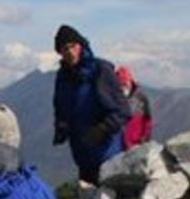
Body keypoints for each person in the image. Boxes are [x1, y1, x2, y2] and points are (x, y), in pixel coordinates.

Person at [52, 24, 131, 185]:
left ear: (80, 45)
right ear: (59, 52)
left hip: (110, 155)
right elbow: (61, 106)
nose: (69, 52)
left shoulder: (101, 70)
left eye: (72, 46)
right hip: (83, 155)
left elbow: (123, 111)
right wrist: (62, 127)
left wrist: (103, 129)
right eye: (64, 49)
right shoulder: (63, 77)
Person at [116, 66, 153, 150]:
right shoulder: (113, 101)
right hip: (118, 149)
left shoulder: (142, 99)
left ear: (131, 83)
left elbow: (148, 122)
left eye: (125, 84)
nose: (123, 88)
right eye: (120, 85)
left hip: (136, 146)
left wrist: (145, 141)